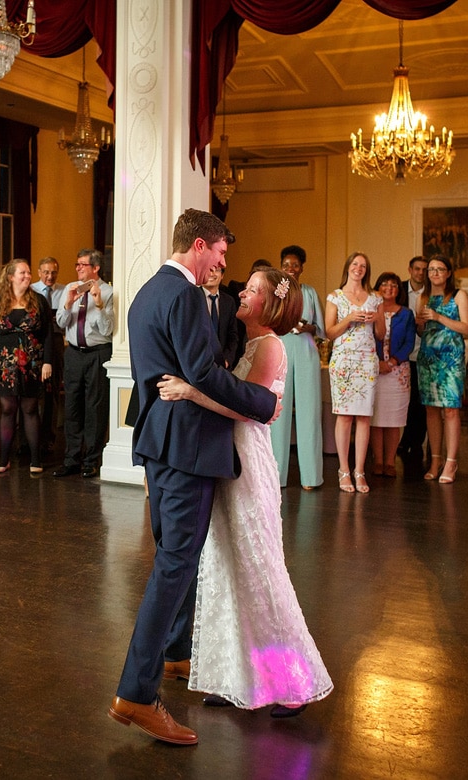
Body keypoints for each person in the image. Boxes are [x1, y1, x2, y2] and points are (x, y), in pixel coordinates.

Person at [109, 209, 278, 746]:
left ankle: (178, 653)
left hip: (159, 443)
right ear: (200, 245)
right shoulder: (182, 295)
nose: (223, 263)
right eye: (222, 253)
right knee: (176, 565)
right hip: (187, 447)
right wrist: (261, 402)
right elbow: (202, 373)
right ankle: (137, 692)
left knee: (174, 556)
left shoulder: (144, 292)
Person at [155, 267, 333, 717]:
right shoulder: (246, 340)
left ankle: (293, 683)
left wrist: (190, 392)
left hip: (247, 464)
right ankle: (237, 677)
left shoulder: (270, 346)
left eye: (252, 290)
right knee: (227, 568)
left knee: (259, 569)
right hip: (225, 458)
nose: (243, 293)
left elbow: (245, 406)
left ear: (271, 304)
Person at [0, 259, 54, 475]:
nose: (27, 276)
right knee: (7, 409)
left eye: (28, 273)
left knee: (30, 409)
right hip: (5, 366)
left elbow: (48, 334)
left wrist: (48, 362)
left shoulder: (39, 301)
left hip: (32, 365)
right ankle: (4, 459)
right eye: (22, 273)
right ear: (11, 277)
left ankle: (35, 458)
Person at [54, 249, 114, 479]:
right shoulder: (69, 288)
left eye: (82, 264)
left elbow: (107, 330)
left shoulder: (108, 292)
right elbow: (61, 322)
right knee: (72, 409)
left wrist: (98, 305)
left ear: (95, 268)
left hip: (97, 353)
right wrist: (68, 303)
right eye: (77, 264)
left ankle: (91, 461)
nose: (77, 268)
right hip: (73, 354)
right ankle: (71, 460)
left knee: (95, 409)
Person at [323, 252, 380, 493]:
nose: (359, 268)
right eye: (355, 264)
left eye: (363, 266)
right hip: (343, 361)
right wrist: (349, 318)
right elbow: (329, 332)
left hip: (367, 361)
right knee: (344, 416)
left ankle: (360, 471)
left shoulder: (375, 297)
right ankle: (344, 470)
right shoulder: (335, 297)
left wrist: (377, 318)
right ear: (348, 267)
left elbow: (381, 335)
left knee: (364, 417)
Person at [270, 245, 324, 490]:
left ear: (302, 267)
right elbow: (268, 320)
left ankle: (311, 477)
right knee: (278, 413)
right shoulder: (277, 291)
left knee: (309, 412)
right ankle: (276, 476)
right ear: (280, 267)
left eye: (295, 265)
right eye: (286, 264)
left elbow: (320, 328)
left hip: (305, 350)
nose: (291, 269)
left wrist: (306, 327)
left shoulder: (310, 293)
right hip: (281, 349)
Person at [416, 255, 468, 483]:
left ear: (449, 273)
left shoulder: (459, 296)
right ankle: (435, 459)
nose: (435, 273)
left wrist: (438, 317)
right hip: (428, 358)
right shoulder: (424, 297)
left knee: (450, 410)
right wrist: (420, 325)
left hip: (451, 360)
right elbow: (422, 332)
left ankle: (451, 461)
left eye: (440, 269)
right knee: (431, 410)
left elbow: (467, 328)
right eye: (431, 269)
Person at [370, 272, 415, 478]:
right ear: (377, 287)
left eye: (394, 285)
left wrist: (393, 361)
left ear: (399, 290)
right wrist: (377, 362)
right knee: (376, 419)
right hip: (374, 369)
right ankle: (378, 461)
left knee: (393, 419)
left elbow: (409, 343)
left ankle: (390, 462)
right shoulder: (370, 311)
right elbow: (365, 338)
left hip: (398, 372)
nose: (389, 288)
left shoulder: (406, 314)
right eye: (385, 284)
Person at [31, 256, 65, 462]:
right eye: (45, 272)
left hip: (56, 342)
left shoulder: (64, 290)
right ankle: (29, 439)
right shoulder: (31, 290)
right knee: (31, 393)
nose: (49, 276)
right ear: (38, 272)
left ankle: (48, 438)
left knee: (51, 391)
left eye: (53, 272)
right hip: (34, 342)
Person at [397, 255, 429, 464]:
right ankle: (402, 440)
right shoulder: (397, 289)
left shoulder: (431, 292)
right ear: (410, 270)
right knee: (404, 402)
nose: (421, 273)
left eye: (424, 270)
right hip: (400, 355)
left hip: (423, 353)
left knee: (420, 402)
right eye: (417, 269)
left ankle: (415, 441)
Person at [203, 265, 240, 369]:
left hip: (223, 365)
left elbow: (233, 335)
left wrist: (227, 359)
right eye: (209, 269)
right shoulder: (193, 298)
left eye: (217, 270)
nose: (212, 273)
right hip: (200, 363)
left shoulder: (229, 301)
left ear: (222, 275)